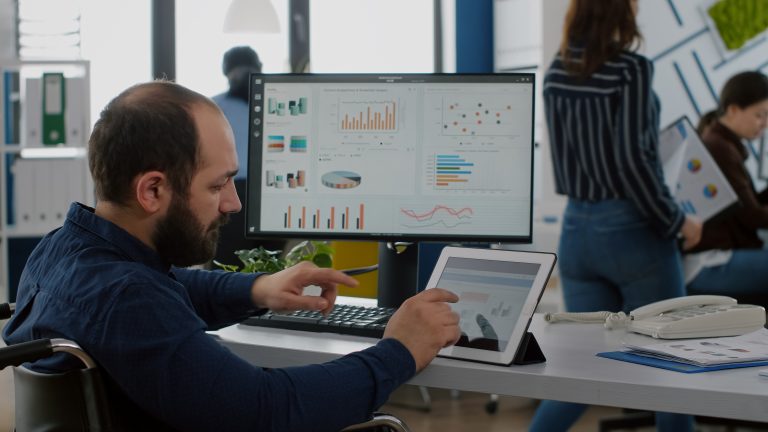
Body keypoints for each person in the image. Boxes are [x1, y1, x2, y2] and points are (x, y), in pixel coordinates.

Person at [2, 81, 462, 432]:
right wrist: (399, 352)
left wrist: (260, 289)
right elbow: (266, 409)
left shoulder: (62, 251)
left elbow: (175, 286)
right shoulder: (127, 298)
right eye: (218, 184)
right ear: (153, 190)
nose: (232, 204)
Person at [529, 1, 701, 431]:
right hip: (629, 231)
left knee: (584, 373)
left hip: (576, 231)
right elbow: (632, 161)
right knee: (671, 366)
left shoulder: (555, 70)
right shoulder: (631, 69)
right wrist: (677, 221)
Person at [685, 71, 768, 305]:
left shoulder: (722, 143)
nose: (765, 124)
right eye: (760, 115)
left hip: (716, 256)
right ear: (733, 110)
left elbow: (745, 205)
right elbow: (752, 217)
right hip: (710, 261)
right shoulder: (719, 148)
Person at [210, 46, 282, 266]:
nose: (244, 76)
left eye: (248, 69)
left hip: (275, 191)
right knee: (227, 264)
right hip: (234, 191)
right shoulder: (213, 107)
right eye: (239, 70)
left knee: (270, 266)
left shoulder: (279, 103)